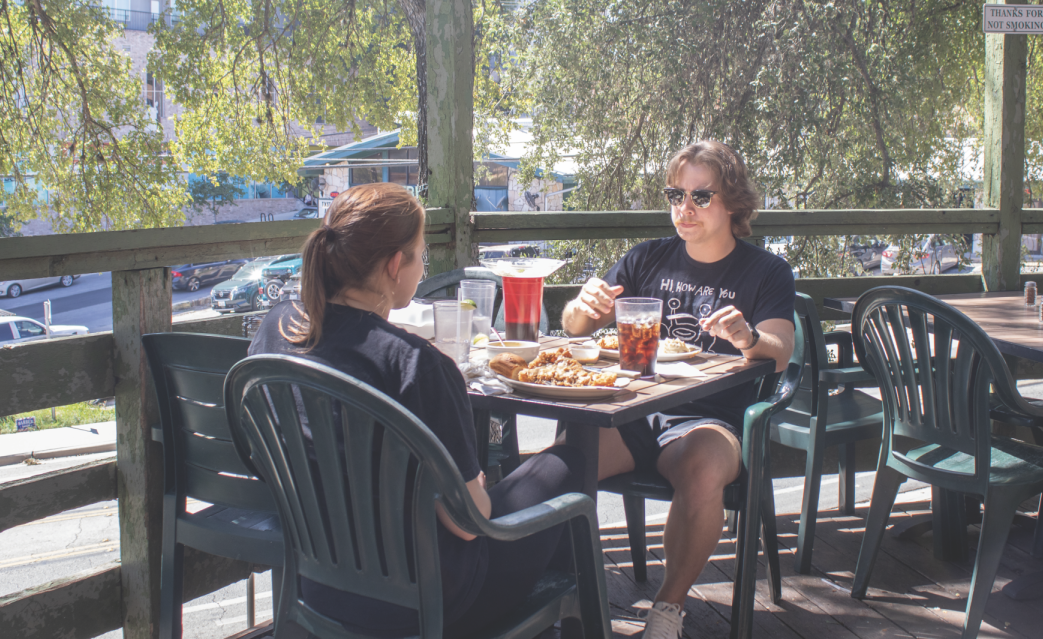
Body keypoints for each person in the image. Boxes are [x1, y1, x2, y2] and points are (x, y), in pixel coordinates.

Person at [250, 182, 585, 638]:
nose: (423, 265)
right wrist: (477, 482)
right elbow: (468, 523)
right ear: (394, 265)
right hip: (428, 599)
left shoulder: (277, 330)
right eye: (421, 255)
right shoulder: (415, 365)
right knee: (571, 461)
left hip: (317, 582)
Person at [562, 140, 795, 639]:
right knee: (565, 458)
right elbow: (574, 327)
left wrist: (748, 337)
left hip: (712, 419)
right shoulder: (647, 258)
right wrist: (582, 305)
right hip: (634, 412)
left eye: (700, 197)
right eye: (675, 196)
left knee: (703, 466)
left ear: (732, 202)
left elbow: (781, 350)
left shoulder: (766, 271)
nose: (683, 209)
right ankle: (565, 594)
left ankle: (667, 611)